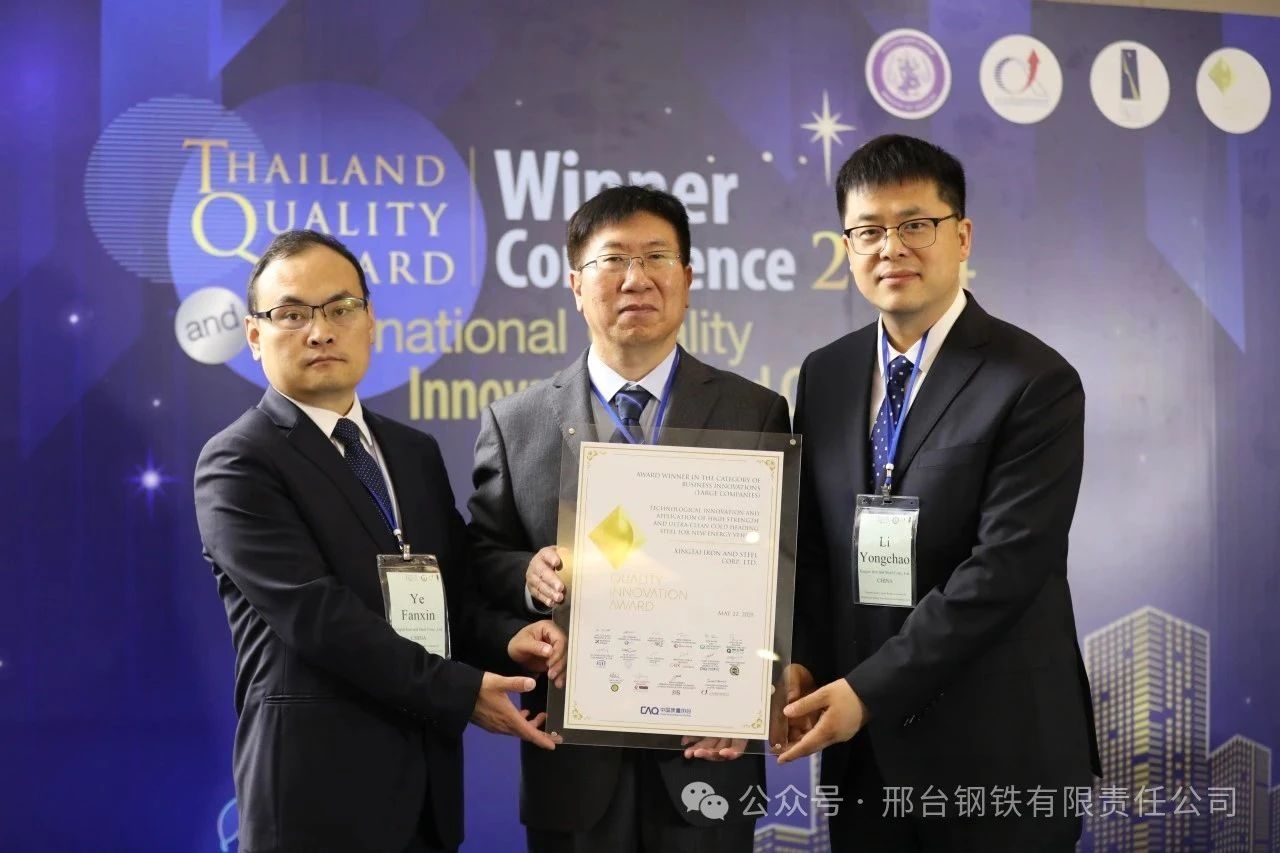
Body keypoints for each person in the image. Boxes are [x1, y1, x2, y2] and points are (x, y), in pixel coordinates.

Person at [194, 229, 564, 853]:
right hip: (314, 801)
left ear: (371, 323)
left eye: (341, 308)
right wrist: (461, 692)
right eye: (292, 314)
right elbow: (319, 618)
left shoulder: (411, 452)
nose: (320, 331)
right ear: (255, 336)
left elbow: (452, 592)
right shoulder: (238, 461)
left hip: (425, 793)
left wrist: (509, 639)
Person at [778, 135, 1100, 851]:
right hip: (865, 756)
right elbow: (815, 552)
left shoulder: (1035, 380)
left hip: (998, 749)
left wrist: (867, 691)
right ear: (847, 247)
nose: (891, 247)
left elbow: (1003, 571)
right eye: (868, 230)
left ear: (962, 236)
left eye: (915, 224)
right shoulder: (825, 375)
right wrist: (803, 660)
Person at [468, 186, 790, 852]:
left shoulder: (754, 411)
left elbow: (785, 571)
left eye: (656, 257)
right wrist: (527, 580)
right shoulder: (515, 422)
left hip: (709, 752)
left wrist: (752, 697)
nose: (636, 278)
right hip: (571, 761)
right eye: (613, 259)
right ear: (575, 284)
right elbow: (480, 563)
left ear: (688, 279)